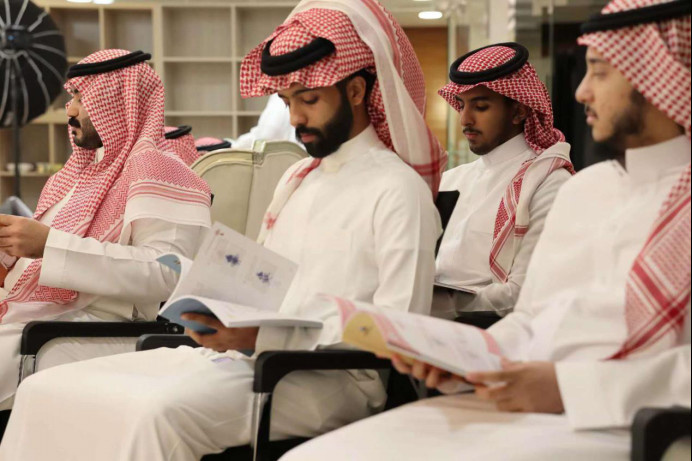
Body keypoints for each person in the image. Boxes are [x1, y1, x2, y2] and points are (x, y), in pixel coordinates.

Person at [0, 1, 446, 459]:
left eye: (308, 100)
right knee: (47, 390)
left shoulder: (399, 189)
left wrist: (263, 337)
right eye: (287, 101)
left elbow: (400, 329)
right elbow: (264, 282)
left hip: (330, 375)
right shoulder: (297, 179)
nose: (294, 119)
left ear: (355, 91)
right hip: (242, 356)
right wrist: (222, 311)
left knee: (153, 412)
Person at [280, 0, 691, 459]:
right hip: (522, 397)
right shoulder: (588, 191)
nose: (581, 94)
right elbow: (533, 320)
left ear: (659, 77)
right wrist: (472, 361)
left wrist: (568, 387)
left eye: (599, 72)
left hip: (618, 420)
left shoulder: (557, 181)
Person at [0, 50, 212, 411]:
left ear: (115, 101)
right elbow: (32, 262)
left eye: (82, 98)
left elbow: (169, 273)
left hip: (94, 330)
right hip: (40, 315)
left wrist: (49, 245)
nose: (70, 110)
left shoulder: (158, 169)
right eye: (72, 98)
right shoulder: (75, 175)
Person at [433, 43, 573, 319]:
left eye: (481, 107)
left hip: (499, 342)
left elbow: (523, 293)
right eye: (461, 106)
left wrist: (436, 306)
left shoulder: (549, 183)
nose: (465, 119)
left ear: (519, 111)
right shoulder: (450, 179)